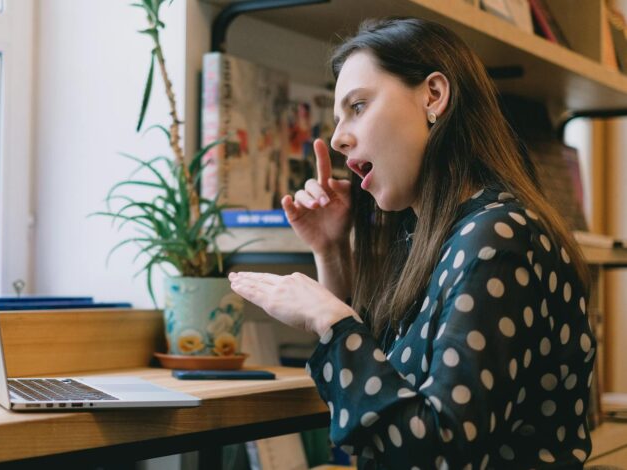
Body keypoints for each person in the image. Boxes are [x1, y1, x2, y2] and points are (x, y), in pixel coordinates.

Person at [228, 17, 596, 469]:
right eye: (338, 117)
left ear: (434, 96)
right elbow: (386, 398)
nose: (339, 137)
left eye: (358, 106)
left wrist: (329, 318)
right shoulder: (435, 237)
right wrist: (330, 251)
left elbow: (436, 453)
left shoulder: (499, 238)